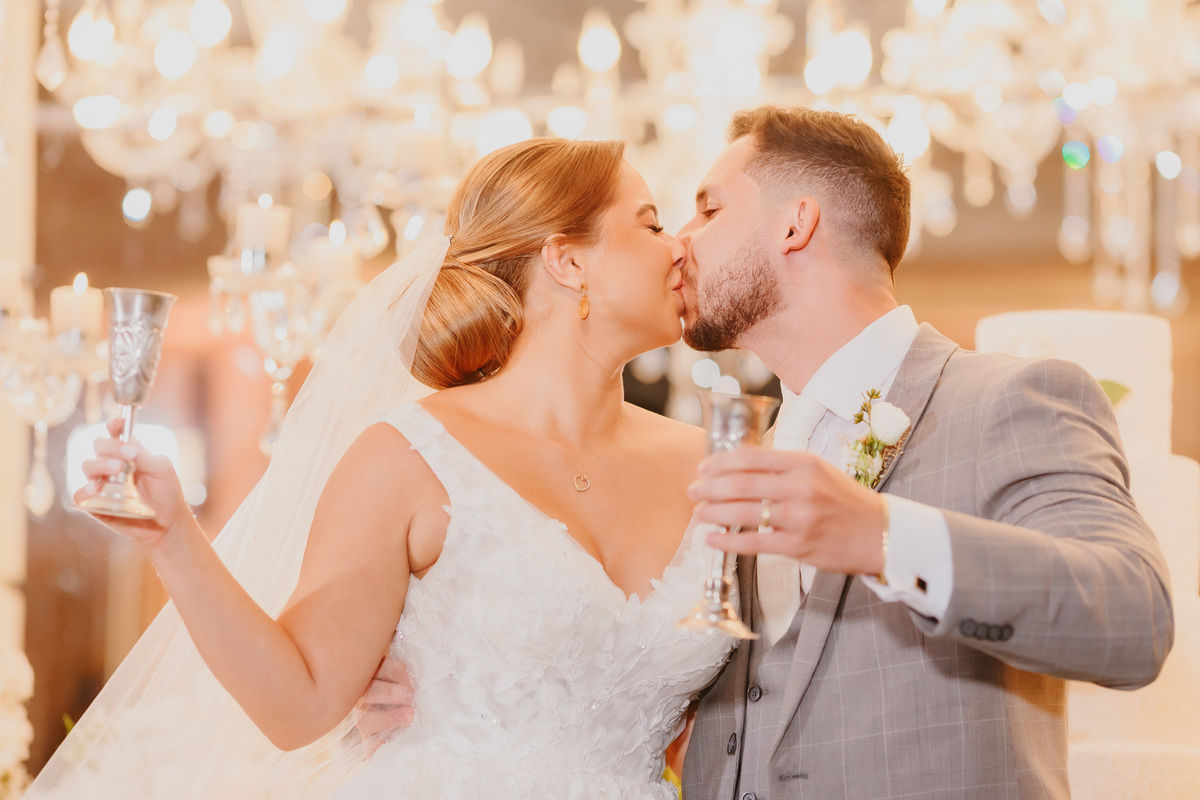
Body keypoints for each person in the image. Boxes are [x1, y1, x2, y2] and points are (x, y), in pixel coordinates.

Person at [25, 138, 735, 799]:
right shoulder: (410, 456)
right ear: (568, 260)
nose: (678, 247)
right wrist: (172, 536)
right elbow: (298, 701)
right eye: (649, 224)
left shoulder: (709, 465)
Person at [678, 106, 1174, 798]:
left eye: (708, 210)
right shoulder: (733, 449)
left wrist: (881, 536)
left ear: (795, 224)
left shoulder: (1010, 399)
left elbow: (1131, 617)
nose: (681, 241)